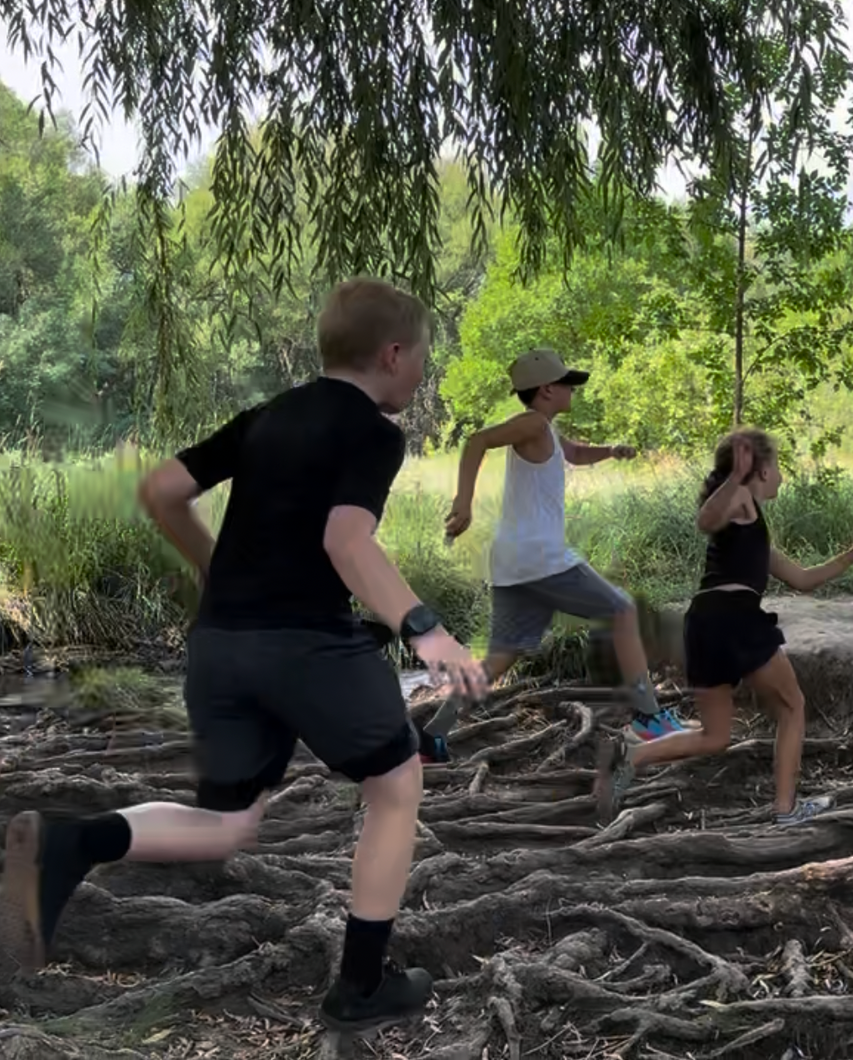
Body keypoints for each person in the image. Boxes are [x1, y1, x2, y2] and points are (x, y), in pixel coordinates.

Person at [0, 279, 488, 1030]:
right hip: (307, 643)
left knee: (228, 823)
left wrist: (211, 565)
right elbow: (346, 541)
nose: (422, 373)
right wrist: (426, 629)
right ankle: (361, 986)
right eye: (422, 357)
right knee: (396, 784)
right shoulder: (373, 431)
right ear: (394, 354)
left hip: (221, 644)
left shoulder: (267, 416)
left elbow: (161, 490)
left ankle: (71, 844)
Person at [592, 428, 853, 825]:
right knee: (793, 706)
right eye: (777, 465)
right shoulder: (742, 498)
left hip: (704, 623)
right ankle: (786, 810)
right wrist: (735, 478)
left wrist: (852, 555)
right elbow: (704, 519)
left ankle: (632, 755)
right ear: (760, 471)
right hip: (735, 618)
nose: (781, 475)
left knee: (715, 737)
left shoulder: (751, 533)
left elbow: (802, 579)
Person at [444, 348, 692, 743]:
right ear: (546, 390)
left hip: (513, 561)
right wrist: (463, 501)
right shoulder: (532, 423)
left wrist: (610, 451)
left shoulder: (545, 430)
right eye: (567, 384)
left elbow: (573, 453)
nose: (572, 390)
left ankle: (434, 731)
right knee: (623, 611)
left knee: (501, 656)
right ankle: (648, 718)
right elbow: (477, 440)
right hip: (539, 557)